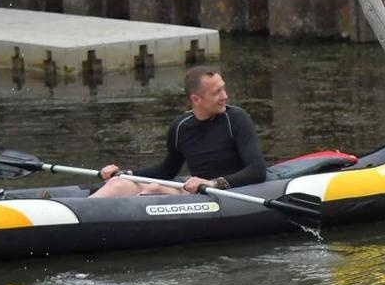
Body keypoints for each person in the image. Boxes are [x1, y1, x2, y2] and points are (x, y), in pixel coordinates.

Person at [91, 66, 266, 198]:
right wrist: (125, 174)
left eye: (223, 88)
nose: (225, 96)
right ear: (196, 99)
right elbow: (167, 170)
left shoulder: (236, 118)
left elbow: (257, 170)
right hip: (194, 189)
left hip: (229, 192)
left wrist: (213, 183)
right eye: (217, 92)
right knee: (118, 183)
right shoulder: (181, 126)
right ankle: (78, 215)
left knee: (155, 189)